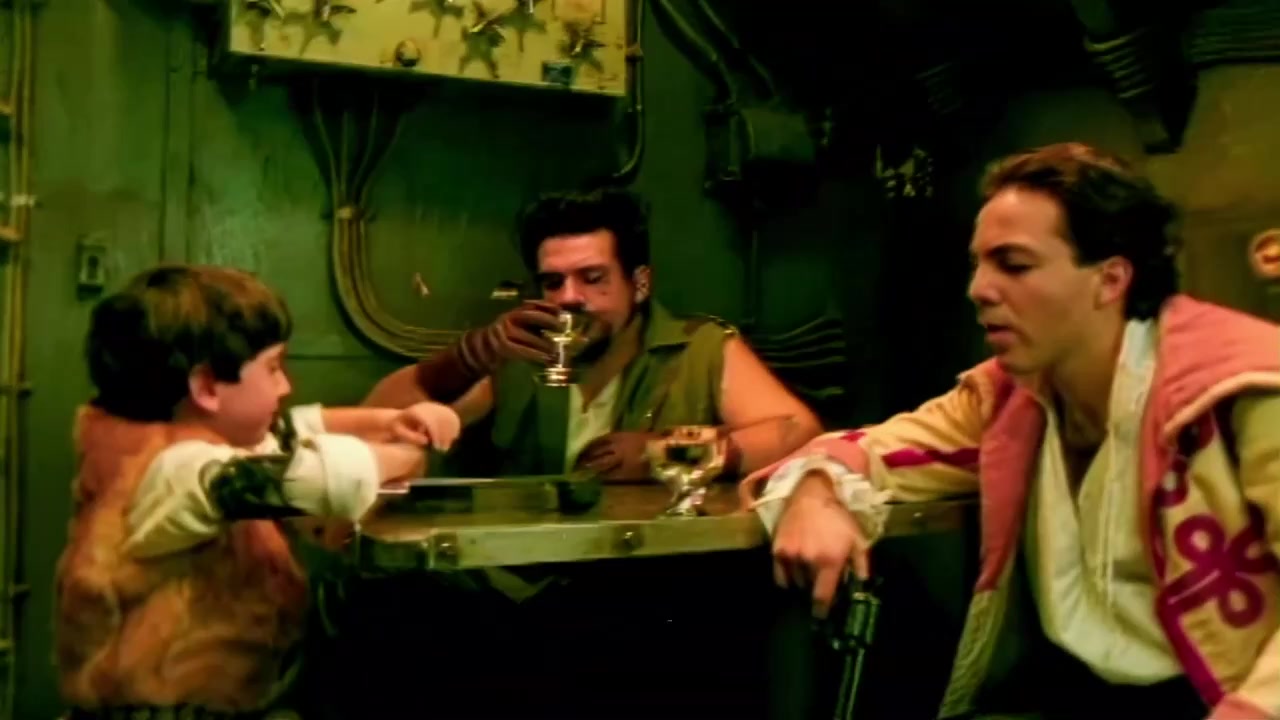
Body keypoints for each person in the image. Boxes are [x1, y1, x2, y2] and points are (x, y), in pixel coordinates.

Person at [741, 143, 1280, 720]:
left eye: (1014, 265)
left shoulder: (1242, 387)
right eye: (978, 264)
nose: (979, 289)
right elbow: (864, 450)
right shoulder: (1009, 399)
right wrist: (817, 492)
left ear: (1110, 279)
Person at [55, 265, 461, 719]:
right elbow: (309, 478)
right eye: (273, 368)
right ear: (207, 387)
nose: (286, 386)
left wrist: (392, 421)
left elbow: (291, 429)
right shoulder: (172, 471)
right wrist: (405, 455)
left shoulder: (190, 444)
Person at [364, 186, 821, 479]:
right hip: (525, 578)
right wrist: (469, 357)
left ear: (639, 284)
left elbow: (797, 431)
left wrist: (663, 454)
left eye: (593, 278)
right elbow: (378, 424)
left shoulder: (698, 350)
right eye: (552, 282)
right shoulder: (520, 355)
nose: (569, 297)